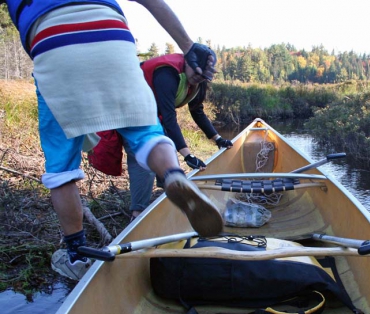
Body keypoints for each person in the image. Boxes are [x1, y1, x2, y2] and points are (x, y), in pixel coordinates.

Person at [5, 0, 224, 280]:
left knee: (62, 167)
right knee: (145, 134)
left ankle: (75, 254)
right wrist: (188, 44)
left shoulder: (188, 83)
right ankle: (172, 174)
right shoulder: (170, 73)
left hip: (53, 43)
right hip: (114, 37)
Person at [127, 51, 234, 219]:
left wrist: (217, 139)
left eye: (204, 76)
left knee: (166, 155)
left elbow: (197, 111)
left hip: (156, 112)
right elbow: (169, 118)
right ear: (188, 63)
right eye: (197, 73)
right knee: (144, 154)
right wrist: (188, 155)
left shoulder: (198, 80)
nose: (199, 78)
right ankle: (137, 214)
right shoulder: (167, 74)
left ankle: (169, 199)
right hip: (132, 106)